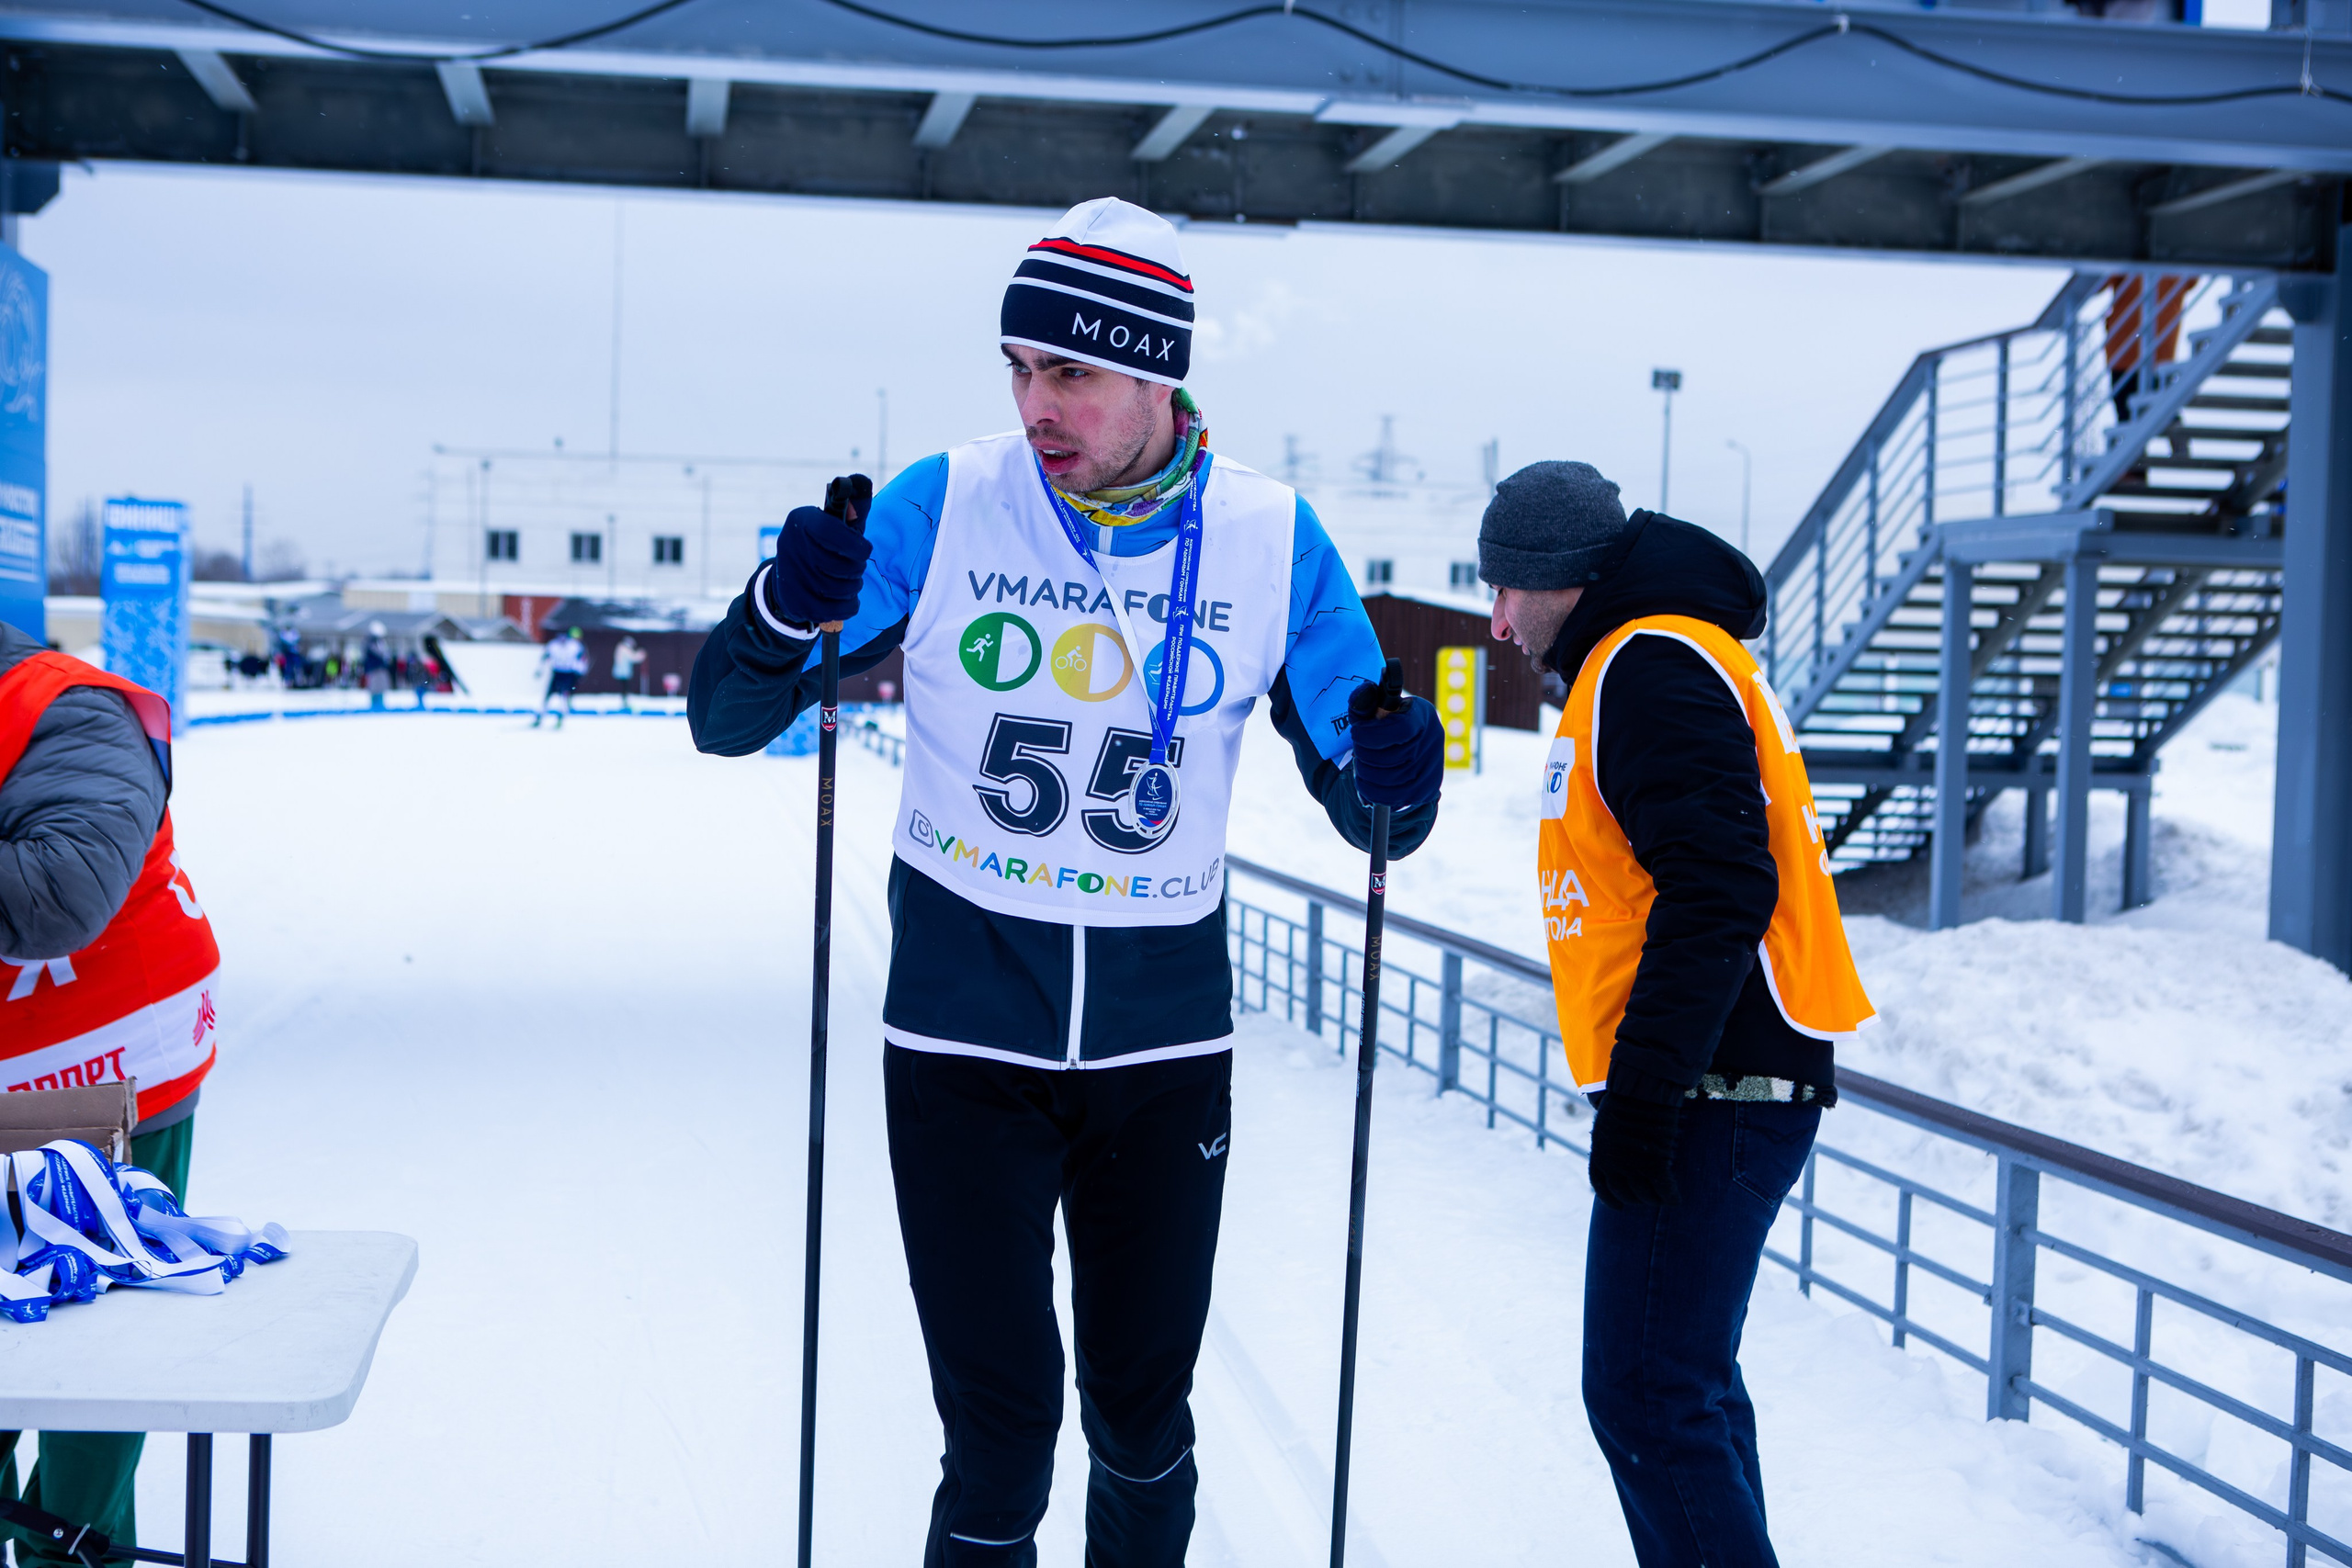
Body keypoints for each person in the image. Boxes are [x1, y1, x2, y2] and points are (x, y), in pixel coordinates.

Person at [691, 197, 1447, 1568]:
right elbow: (729, 719)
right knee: (998, 1433)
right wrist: (779, 605)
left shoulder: (1274, 540)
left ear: (1159, 373)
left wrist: (1400, 765)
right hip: (962, 1035)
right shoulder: (946, 501)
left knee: (1143, 1417)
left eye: (1073, 372)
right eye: (1020, 369)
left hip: (1162, 1051)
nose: (1038, 402)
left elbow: (1379, 814)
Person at [1480, 462, 1873, 1568]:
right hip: (1722, 1081)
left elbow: (1717, 887)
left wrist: (1646, 1091)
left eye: (1506, 588)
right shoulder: (1648, 659)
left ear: (1561, 578)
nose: (1496, 619)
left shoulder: (1646, 665)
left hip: (1715, 1085)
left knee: (1648, 1393)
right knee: (1680, 1387)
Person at [0, 618, 221, 1566]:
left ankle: (76, 1550)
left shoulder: (68, 708)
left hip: (98, 1076)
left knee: (82, 1356)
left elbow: (58, 894)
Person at [533, 626, 587, 728]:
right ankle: (542, 716)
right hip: (560, 672)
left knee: (562, 696)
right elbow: (545, 657)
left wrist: (580, 672)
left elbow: (581, 659)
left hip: (566, 673)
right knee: (552, 696)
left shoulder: (573, 646)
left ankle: (558, 716)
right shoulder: (559, 645)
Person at [361, 622, 392, 711]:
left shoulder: (375, 642)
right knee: (375, 688)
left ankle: (379, 705)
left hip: (378, 669)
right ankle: (375, 706)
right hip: (374, 669)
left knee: (380, 688)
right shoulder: (371, 642)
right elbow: (380, 653)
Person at [611, 634, 644, 713]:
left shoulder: (621, 648)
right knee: (625, 688)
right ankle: (625, 704)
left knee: (624, 688)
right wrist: (641, 655)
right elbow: (633, 657)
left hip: (622, 671)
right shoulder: (624, 649)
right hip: (623, 672)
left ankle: (625, 703)